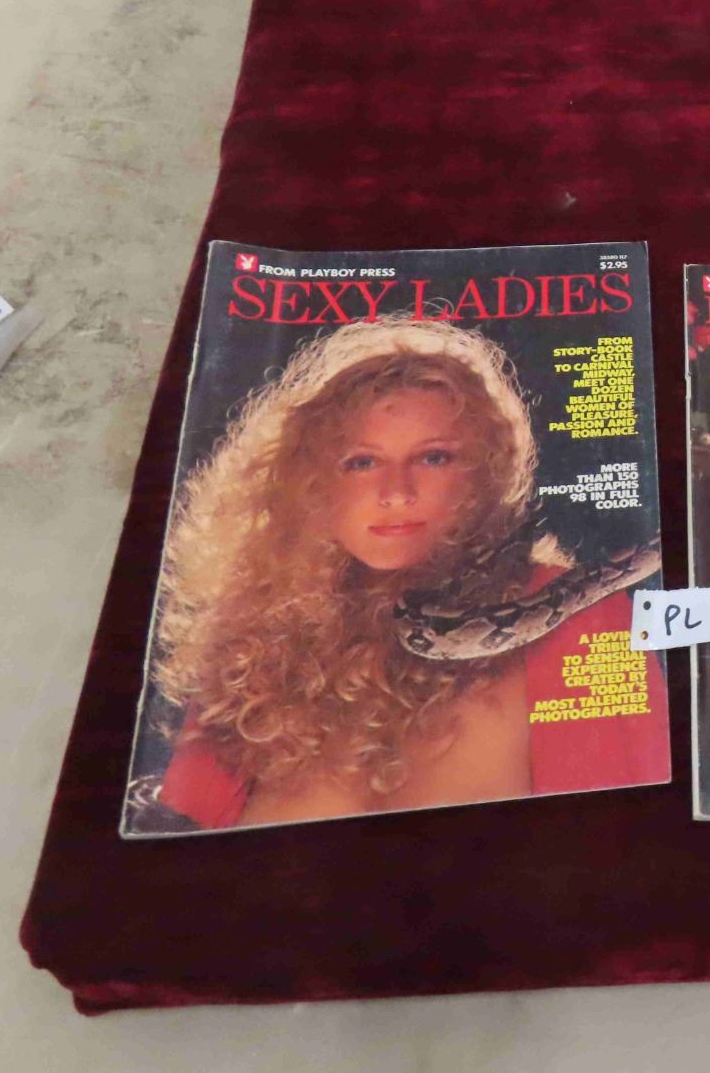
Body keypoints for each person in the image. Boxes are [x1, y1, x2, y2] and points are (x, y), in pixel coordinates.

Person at [143, 317, 660, 830]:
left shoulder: (578, 617)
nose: (396, 493)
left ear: (484, 472)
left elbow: (628, 835)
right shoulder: (250, 655)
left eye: (433, 457)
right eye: (362, 462)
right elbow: (176, 846)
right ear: (308, 480)